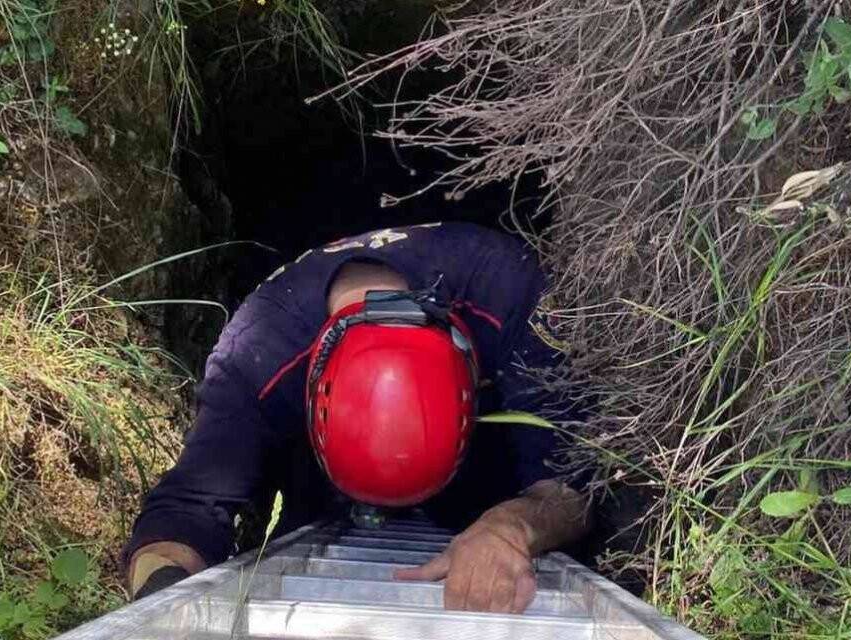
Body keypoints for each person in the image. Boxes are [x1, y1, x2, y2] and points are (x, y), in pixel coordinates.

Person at [123, 221, 592, 614]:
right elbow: (183, 513)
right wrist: (164, 598)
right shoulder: (257, 354)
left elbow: (575, 483)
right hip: (324, 490)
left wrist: (509, 530)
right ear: (311, 398)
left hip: (483, 468)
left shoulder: (508, 290)